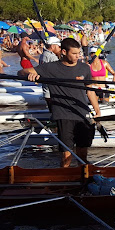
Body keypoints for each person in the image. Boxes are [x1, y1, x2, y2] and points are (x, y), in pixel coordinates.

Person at [19, 37, 101, 168]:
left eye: (78, 53)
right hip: (63, 115)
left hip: (82, 113)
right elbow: (21, 72)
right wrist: (28, 75)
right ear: (63, 52)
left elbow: (90, 90)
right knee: (66, 155)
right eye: (74, 54)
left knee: (82, 153)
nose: (77, 56)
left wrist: (97, 111)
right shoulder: (50, 68)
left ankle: (83, 177)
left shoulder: (84, 68)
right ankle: (64, 179)